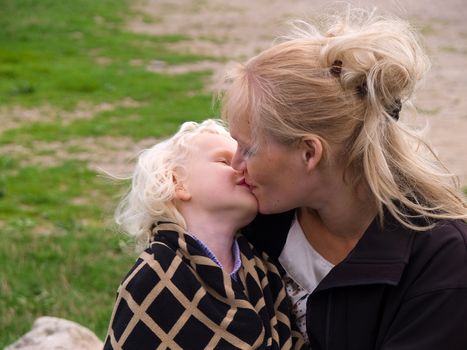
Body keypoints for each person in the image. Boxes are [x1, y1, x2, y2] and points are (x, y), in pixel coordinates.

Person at [221, 8, 467, 350]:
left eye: (247, 150)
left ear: (309, 153)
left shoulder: (443, 264)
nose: (234, 165)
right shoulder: (255, 217)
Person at [103, 119, 306, 350]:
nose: (242, 166)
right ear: (176, 182)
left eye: (246, 158)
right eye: (224, 161)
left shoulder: (263, 269)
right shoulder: (156, 273)